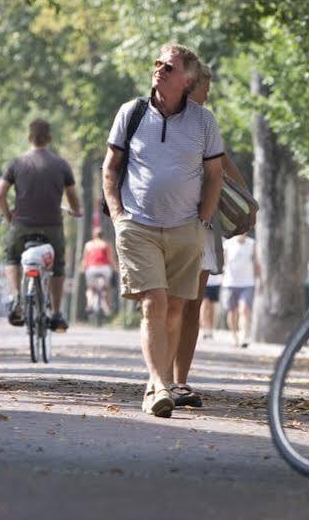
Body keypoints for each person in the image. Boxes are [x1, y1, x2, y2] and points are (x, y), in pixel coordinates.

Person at [103, 43, 224, 418]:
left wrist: (203, 221)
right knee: (154, 303)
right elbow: (111, 168)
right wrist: (118, 216)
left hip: (185, 229)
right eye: (157, 64)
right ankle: (158, 384)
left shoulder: (203, 122)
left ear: (187, 79)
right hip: (137, 226)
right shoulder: (132, 112)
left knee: (174, 310)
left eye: (168, 67)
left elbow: (215, 175)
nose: (159, 70)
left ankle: (158, 385)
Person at [171, 59, 255, 408]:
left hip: (203, 226)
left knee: (192, 304)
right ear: (191, 86)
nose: (209, 94)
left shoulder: (206, 124)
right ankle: (160, 379)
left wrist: (246, 204)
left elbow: (224, 166)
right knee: (171, 304)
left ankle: (180, 382)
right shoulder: (162, 120)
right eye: (206, 87)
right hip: (171, 222)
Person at [0, 119, 82, 333]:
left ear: (29, 138)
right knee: (58, 265)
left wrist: (9, 216)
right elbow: (72, 196)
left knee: (11, 256)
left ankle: (17, 299)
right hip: (52, 226)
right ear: (49, 139)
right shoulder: (61, 165)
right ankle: (57, 313)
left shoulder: (16, 164)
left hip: (22, 226)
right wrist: (76, 211)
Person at [220, 231, 260, 348]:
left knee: (244, 310)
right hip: (230, 282)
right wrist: (221, 278)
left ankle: (244, 336)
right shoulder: (227, 244)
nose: (243, 232)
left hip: (247, 283)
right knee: (232, 312)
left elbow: (256, 262)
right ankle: (234, 335)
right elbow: (222, 262)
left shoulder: (252, 243)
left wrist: (260, 281)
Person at [80, 227, 118, 317]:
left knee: (90, 288)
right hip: (104, 269)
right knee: (107, 288)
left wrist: (82, 268)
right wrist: (116, 269)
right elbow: (111, 259)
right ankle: (107, 307)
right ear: (102, 235)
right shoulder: (106, 244)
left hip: (92, 269)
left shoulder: (88, 245)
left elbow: (85, 260)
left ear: (94, 235)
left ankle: (89, 304)